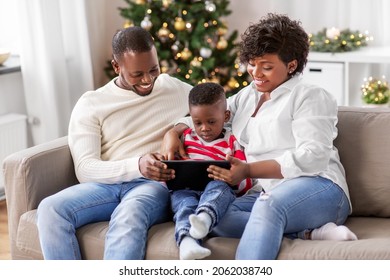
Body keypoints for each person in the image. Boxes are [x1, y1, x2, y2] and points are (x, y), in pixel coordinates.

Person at [162, 13, 357, 260]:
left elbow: (314, 157)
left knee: (269, 206)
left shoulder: (310, 96)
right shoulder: (248, 96)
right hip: (265, 192)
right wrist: (174, 131)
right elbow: (212, 116)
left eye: (266, 66)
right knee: (215, 217)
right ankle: (309, 233)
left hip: (320, 186)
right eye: (252, 63)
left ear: (292, 65)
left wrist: (249, 170)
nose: (256, 73)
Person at [36, 26, 192, 259]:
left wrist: (177, 128)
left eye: (153, 69)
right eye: (137, 74)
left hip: (152, 185)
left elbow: (221, 110)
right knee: (50, 209)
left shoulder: (174, 88)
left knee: (129, 215)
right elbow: (85, 168)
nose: (148, 80)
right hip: (105, 185)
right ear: (117, 67)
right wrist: (137, 165)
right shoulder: (92, 104)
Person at [170, 82, 253, 260]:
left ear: (226, 115)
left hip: (217, 190)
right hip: (186, 190)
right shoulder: (186, 138)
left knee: (218, 186)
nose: (204, 128)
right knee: (184, 205)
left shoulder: (232, 142)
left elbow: (244, 180)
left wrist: (232, 178)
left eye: (211, 122)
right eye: (197, 122)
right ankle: (187, 243)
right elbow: (173, 170)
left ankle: (205, 218)